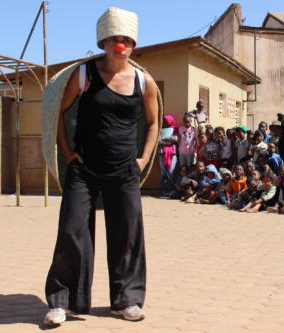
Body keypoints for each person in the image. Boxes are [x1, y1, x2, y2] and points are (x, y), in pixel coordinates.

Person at [44, 7, 158, 325]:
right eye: (113, 39)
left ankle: (127, 300)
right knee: (72, 230)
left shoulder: (142, 81)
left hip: (124, 170)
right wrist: (67, 153)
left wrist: (143, 158)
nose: (119, 45)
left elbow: (152, 123)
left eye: (125, 39)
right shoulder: (84, 75)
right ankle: (62, 302)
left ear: (133, 43)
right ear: (103, 42)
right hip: (84, 169)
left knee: (128, 235)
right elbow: (57, 114)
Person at [158, 115, 178, 196]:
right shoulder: (160, 130)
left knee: (170, 171)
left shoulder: (175, 129)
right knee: (163, 173)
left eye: (167, 121)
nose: (165, 122)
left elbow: (176, 139)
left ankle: (170, 190)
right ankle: (164, 190)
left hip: (172, 153)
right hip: (162, 153)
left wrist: (164, 139)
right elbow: (158, 142)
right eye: (164, 121)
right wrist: (169, 140)